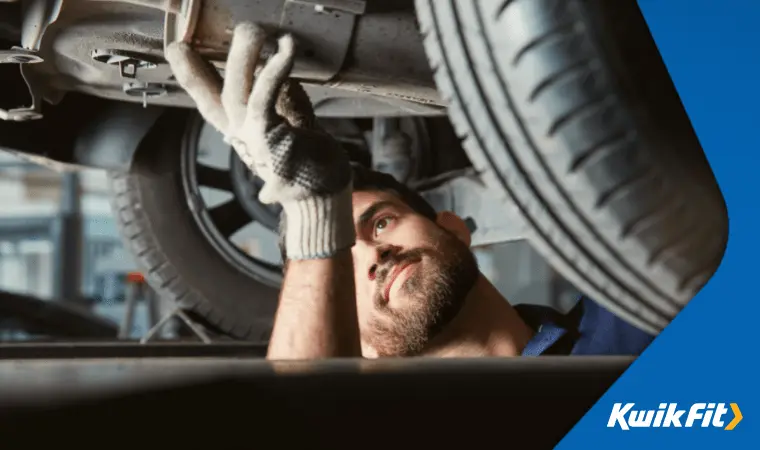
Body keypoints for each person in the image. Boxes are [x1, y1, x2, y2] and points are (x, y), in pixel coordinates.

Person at [165, 23, 655, 359]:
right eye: (346, 264)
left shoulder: (635, 317)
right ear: (356, 341)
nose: (374, 255)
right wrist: (313, 208)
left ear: (454, 228)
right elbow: (302, 424)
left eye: (381, 222)